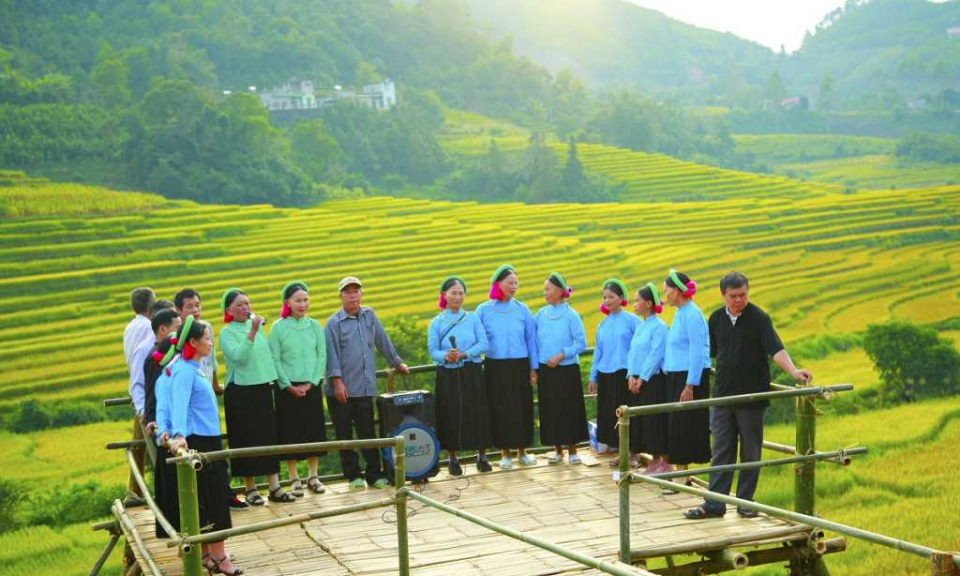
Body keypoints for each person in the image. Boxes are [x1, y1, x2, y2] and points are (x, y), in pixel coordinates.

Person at [685, 272, 812, 519]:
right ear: (723, 295)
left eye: (743, 294)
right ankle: (715, 504)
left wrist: (794, 371)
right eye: (733, 296)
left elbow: (776, 349)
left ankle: (745, 503)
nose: (739, 300)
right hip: (722, 396)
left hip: (752, 398)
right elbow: (711, 352)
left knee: (751, 452)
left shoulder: (759, 318)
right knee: (721, 450)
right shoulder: (716, 319)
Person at [164, 315, 241, 575]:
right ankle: (220, 558)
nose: (211, 343)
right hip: (199, 440)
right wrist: (178, 434)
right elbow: (179, 405)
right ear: (194, 342)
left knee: (208, 496)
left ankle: (208, 554)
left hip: (207, 436)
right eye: (207, 338)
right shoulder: (184, 371)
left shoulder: (193, 367)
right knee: (215, 496)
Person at [325, 276, 410, 490]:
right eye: (348, 292)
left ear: (361, 294)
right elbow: (331, 355)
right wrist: (337, 382)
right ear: (341, 296)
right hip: (341, 389)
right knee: (344, 433)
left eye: (356, 291)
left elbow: (382, 340)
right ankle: (353, 475)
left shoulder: (369, 315)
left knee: (367, 431)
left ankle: (374, 474)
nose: (353, 295)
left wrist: (396, 362)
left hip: (364, 385)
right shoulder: (333, 323)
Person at [219, 288, 294, 505]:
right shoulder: (227, 332)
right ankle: (250, 488)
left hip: (262, 388)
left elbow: (266, 358)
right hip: (240, 391)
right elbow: (239, 357)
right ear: (229, 310)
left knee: (268, 436)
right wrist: (251, 332)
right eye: (240, 305)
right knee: (245, 438)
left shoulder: (259, 329)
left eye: (247, 303)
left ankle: (274, 486)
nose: (245, 308)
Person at [475, 264, 539, 470]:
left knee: (522, 407)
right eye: (510, 283)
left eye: (516, 283)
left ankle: (523, 451)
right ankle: (505, 454)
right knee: (500, 409)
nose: (514, 286)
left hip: (520, 365)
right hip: (496, 367)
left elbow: (531, 340)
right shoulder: (484, 310)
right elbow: (477, 339)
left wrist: (533, 367)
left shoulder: (522, 309)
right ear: (498, 284)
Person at [427, 276, 493, 476]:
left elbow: (483, 344)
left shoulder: (472, 318)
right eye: (453, 293)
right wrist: (446, 356)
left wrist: (464, 354)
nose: (457, 296)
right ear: (444, 296)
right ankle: (452, 458)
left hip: (471, 371)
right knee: (449, 412)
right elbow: (432, 350)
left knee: (477, 411)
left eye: (461, 293)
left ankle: (481, 456)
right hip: (447, 373)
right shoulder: (436, 322)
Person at [268, 281, 328, 496]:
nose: (303, 304)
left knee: (313, 430)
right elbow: (274, 358)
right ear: (287, 303)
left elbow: (322, 355)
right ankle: (294, 478)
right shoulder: (278, 327)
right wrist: (287, 385)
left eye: (305, 299)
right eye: (298, 300)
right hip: (287, 389)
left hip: (311, 386)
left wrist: (311, 383)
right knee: (290, 431)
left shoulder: (314, 326)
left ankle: (313, 476)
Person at [662, 269, 712, 488]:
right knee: (676, 425)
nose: (665, 296)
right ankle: (682, 474)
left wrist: (690, 385)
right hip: (676, 376)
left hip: (688, 378)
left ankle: (681, 477)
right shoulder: (680, 313)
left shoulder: (692, 315)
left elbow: (697, 352)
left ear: (676, 291)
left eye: (667, 291)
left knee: (683, 426)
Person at [534, 272, 588, 464]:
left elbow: (581, 342)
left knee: (569, 408)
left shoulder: (571, 315)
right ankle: (557, 450)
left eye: (548, 289)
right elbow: (533, 341)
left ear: (559, 291)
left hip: (567, 370)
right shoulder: (540, 314)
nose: (545, 292)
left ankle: (573, 450)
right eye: (544, 289)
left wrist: (562, 354)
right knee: (550, 410)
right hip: (546, 370)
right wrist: (535, 367)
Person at [588, 279, 642, 468]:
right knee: (612, 416)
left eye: (611, 296)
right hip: (606, 375)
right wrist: (593, 376)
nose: (607, 300)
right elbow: (598, 352)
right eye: (604, 297)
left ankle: (634, 453)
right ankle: (622, 453)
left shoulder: (632, 321)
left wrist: (636, 373)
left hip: (626, 375)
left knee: (628, 415)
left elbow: (640, 348)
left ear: (621, 298)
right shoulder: (602, 325)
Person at [626, 283, 669, 473]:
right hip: (637, 381)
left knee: (655, 421)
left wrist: (642, 379)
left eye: (637, 301)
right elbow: (632, 353)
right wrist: (630, 376)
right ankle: (653, 461)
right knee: (643, 423)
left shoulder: (659, 327)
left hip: (653, 381)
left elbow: (655, 355)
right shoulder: (641, 326)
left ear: (649, 303)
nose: (634, 304)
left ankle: (663, 462)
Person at [123, 286, 155, 495]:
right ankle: (136, 492)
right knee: (149, 446)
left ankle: (135, 491)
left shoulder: (130, 326)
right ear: (151, 304)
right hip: (145, 388)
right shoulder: (148, 327)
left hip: (137, 388)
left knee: (138, 445)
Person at [151, 332, 180, 539]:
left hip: (168, 438)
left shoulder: (167, 377)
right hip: (169, 440)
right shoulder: (166, 379)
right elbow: (163, 410)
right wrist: (164, 430)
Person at [142, 308, 182, 437]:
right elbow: (153, 391)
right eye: (178, 329)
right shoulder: (157, 357)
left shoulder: (171, 353)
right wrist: (151, 420)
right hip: (164, 424)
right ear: (163, 330)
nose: (181, 334)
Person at [175, 288, 221, 394]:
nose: (195, 310)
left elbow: (212, 359)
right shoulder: (177, 334)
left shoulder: (206, 327)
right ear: (178, 310)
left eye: (197, 305)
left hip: (208, 391)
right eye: (190, 306)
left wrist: (215, 385)